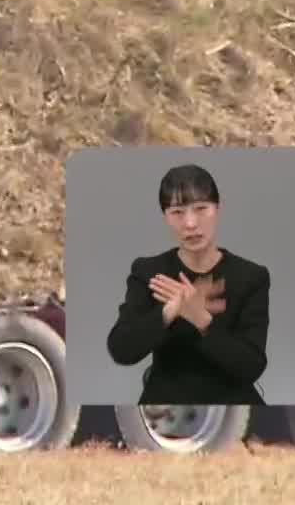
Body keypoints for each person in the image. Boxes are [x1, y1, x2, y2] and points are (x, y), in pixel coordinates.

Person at [105, 163, 269, 405]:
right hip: (165, 409)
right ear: (165, 217)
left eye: (201, 209)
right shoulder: (150, 273)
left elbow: (252, 366)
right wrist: (169, 311)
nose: (190, 224)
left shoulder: (250, 277)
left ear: (218, 208)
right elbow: (121, 349)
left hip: (233, 406)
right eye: (178, 212)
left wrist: (200, 319)